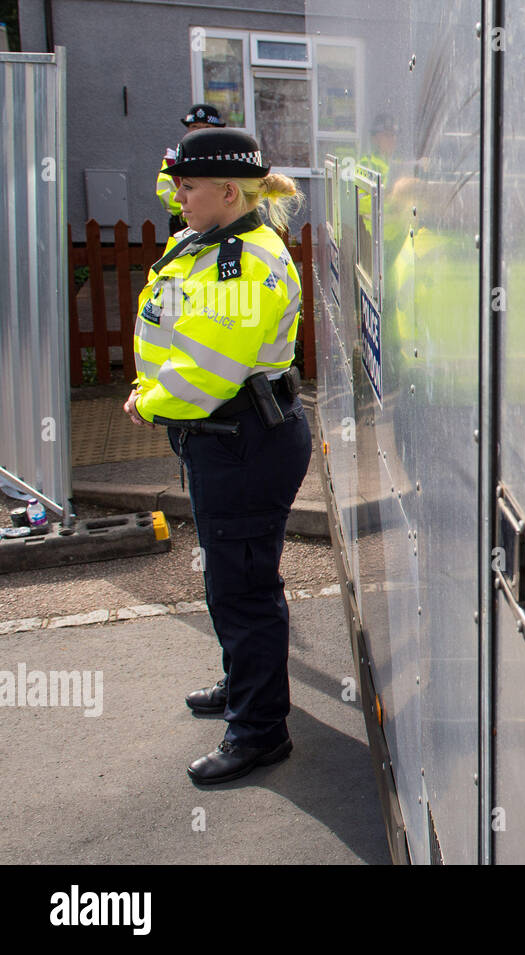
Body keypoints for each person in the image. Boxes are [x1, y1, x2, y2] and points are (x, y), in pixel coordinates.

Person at [124, 127, 313, 785]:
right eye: (176, 185)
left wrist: (151, 399)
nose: (177, 197)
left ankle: (260, 730)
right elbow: (173, 322)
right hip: (223, 441)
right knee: (226, 576)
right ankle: (243, 685)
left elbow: (207, 364)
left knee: (243, 587)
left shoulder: (245, 261)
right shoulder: (206, 240)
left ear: (229, 192)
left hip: (243, 442)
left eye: (190, 187)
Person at [157, 104, 225, 235]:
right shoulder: (173, 159)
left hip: (219, 224)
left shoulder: (227, 157)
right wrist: (200, 208)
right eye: (194, 127)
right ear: (188, 130)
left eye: (207, 127)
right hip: (184, 224)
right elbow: (167, 196)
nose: (200, 131)